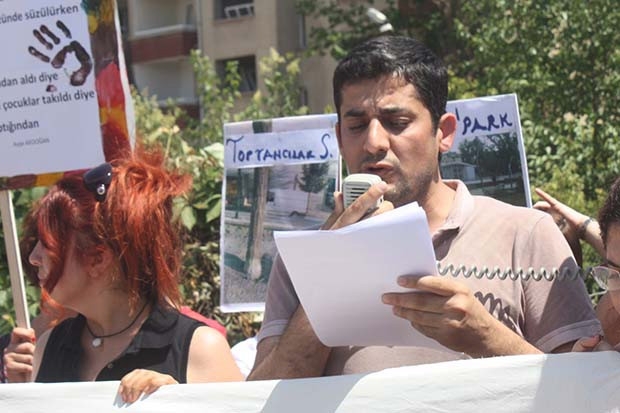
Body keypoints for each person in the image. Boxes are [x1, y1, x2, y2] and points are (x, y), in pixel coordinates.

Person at [248, 35, 601, 380]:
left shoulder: (527, 234)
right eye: (357, 126)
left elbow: (584, 391)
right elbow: (263, 399)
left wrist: (488, 338)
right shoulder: (303, 258)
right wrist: (330, 273)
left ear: (443, 132)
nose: (373, 142)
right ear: (340, 138)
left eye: (397, 123)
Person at [24, 146, 241, 401]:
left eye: (48, 244)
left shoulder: (200, 349)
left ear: (98, 259)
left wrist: (179, 401)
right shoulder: (49, 346)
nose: (33, 257)